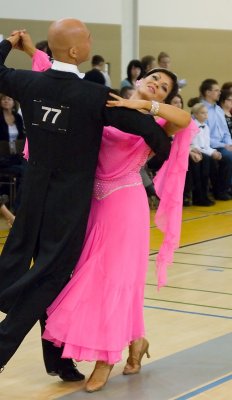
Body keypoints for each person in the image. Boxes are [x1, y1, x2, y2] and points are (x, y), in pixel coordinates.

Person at [0, 19, 172, 379]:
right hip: (70, 207)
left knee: (37, 272)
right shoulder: (95, 96)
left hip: (31, 198)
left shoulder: (28, 82)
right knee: (50, 278)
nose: (92, 40)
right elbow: (154, 136)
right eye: (88, 37)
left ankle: (58, 360)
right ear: (77, 51)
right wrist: (152, 150)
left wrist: (9, 44)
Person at [34, 52, 191, 391]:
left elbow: (186, 119)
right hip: (90, 203)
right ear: (137, 80)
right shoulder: (102, 102)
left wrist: (142, 108)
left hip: (125, 204)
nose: (157, 85)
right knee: (87, 277)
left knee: (113, 281)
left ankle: (106, 360)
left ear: (164, 97)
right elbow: (58, 86)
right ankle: (137, 343)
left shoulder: (160, 121)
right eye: (154, 78)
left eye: (163, 87)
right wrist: (34, 53)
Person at [200, 78, 232, 200]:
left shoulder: (218, 109)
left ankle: (227, 187)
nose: (219, 93)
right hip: (209, 145)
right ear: (208, 92)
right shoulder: (201, 110)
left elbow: (225, 132)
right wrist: (224, 146)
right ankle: (221, 190)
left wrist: (229, 143)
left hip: (222, 144)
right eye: (216, 90)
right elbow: (204, 135)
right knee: (229, 156)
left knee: (229, 152)